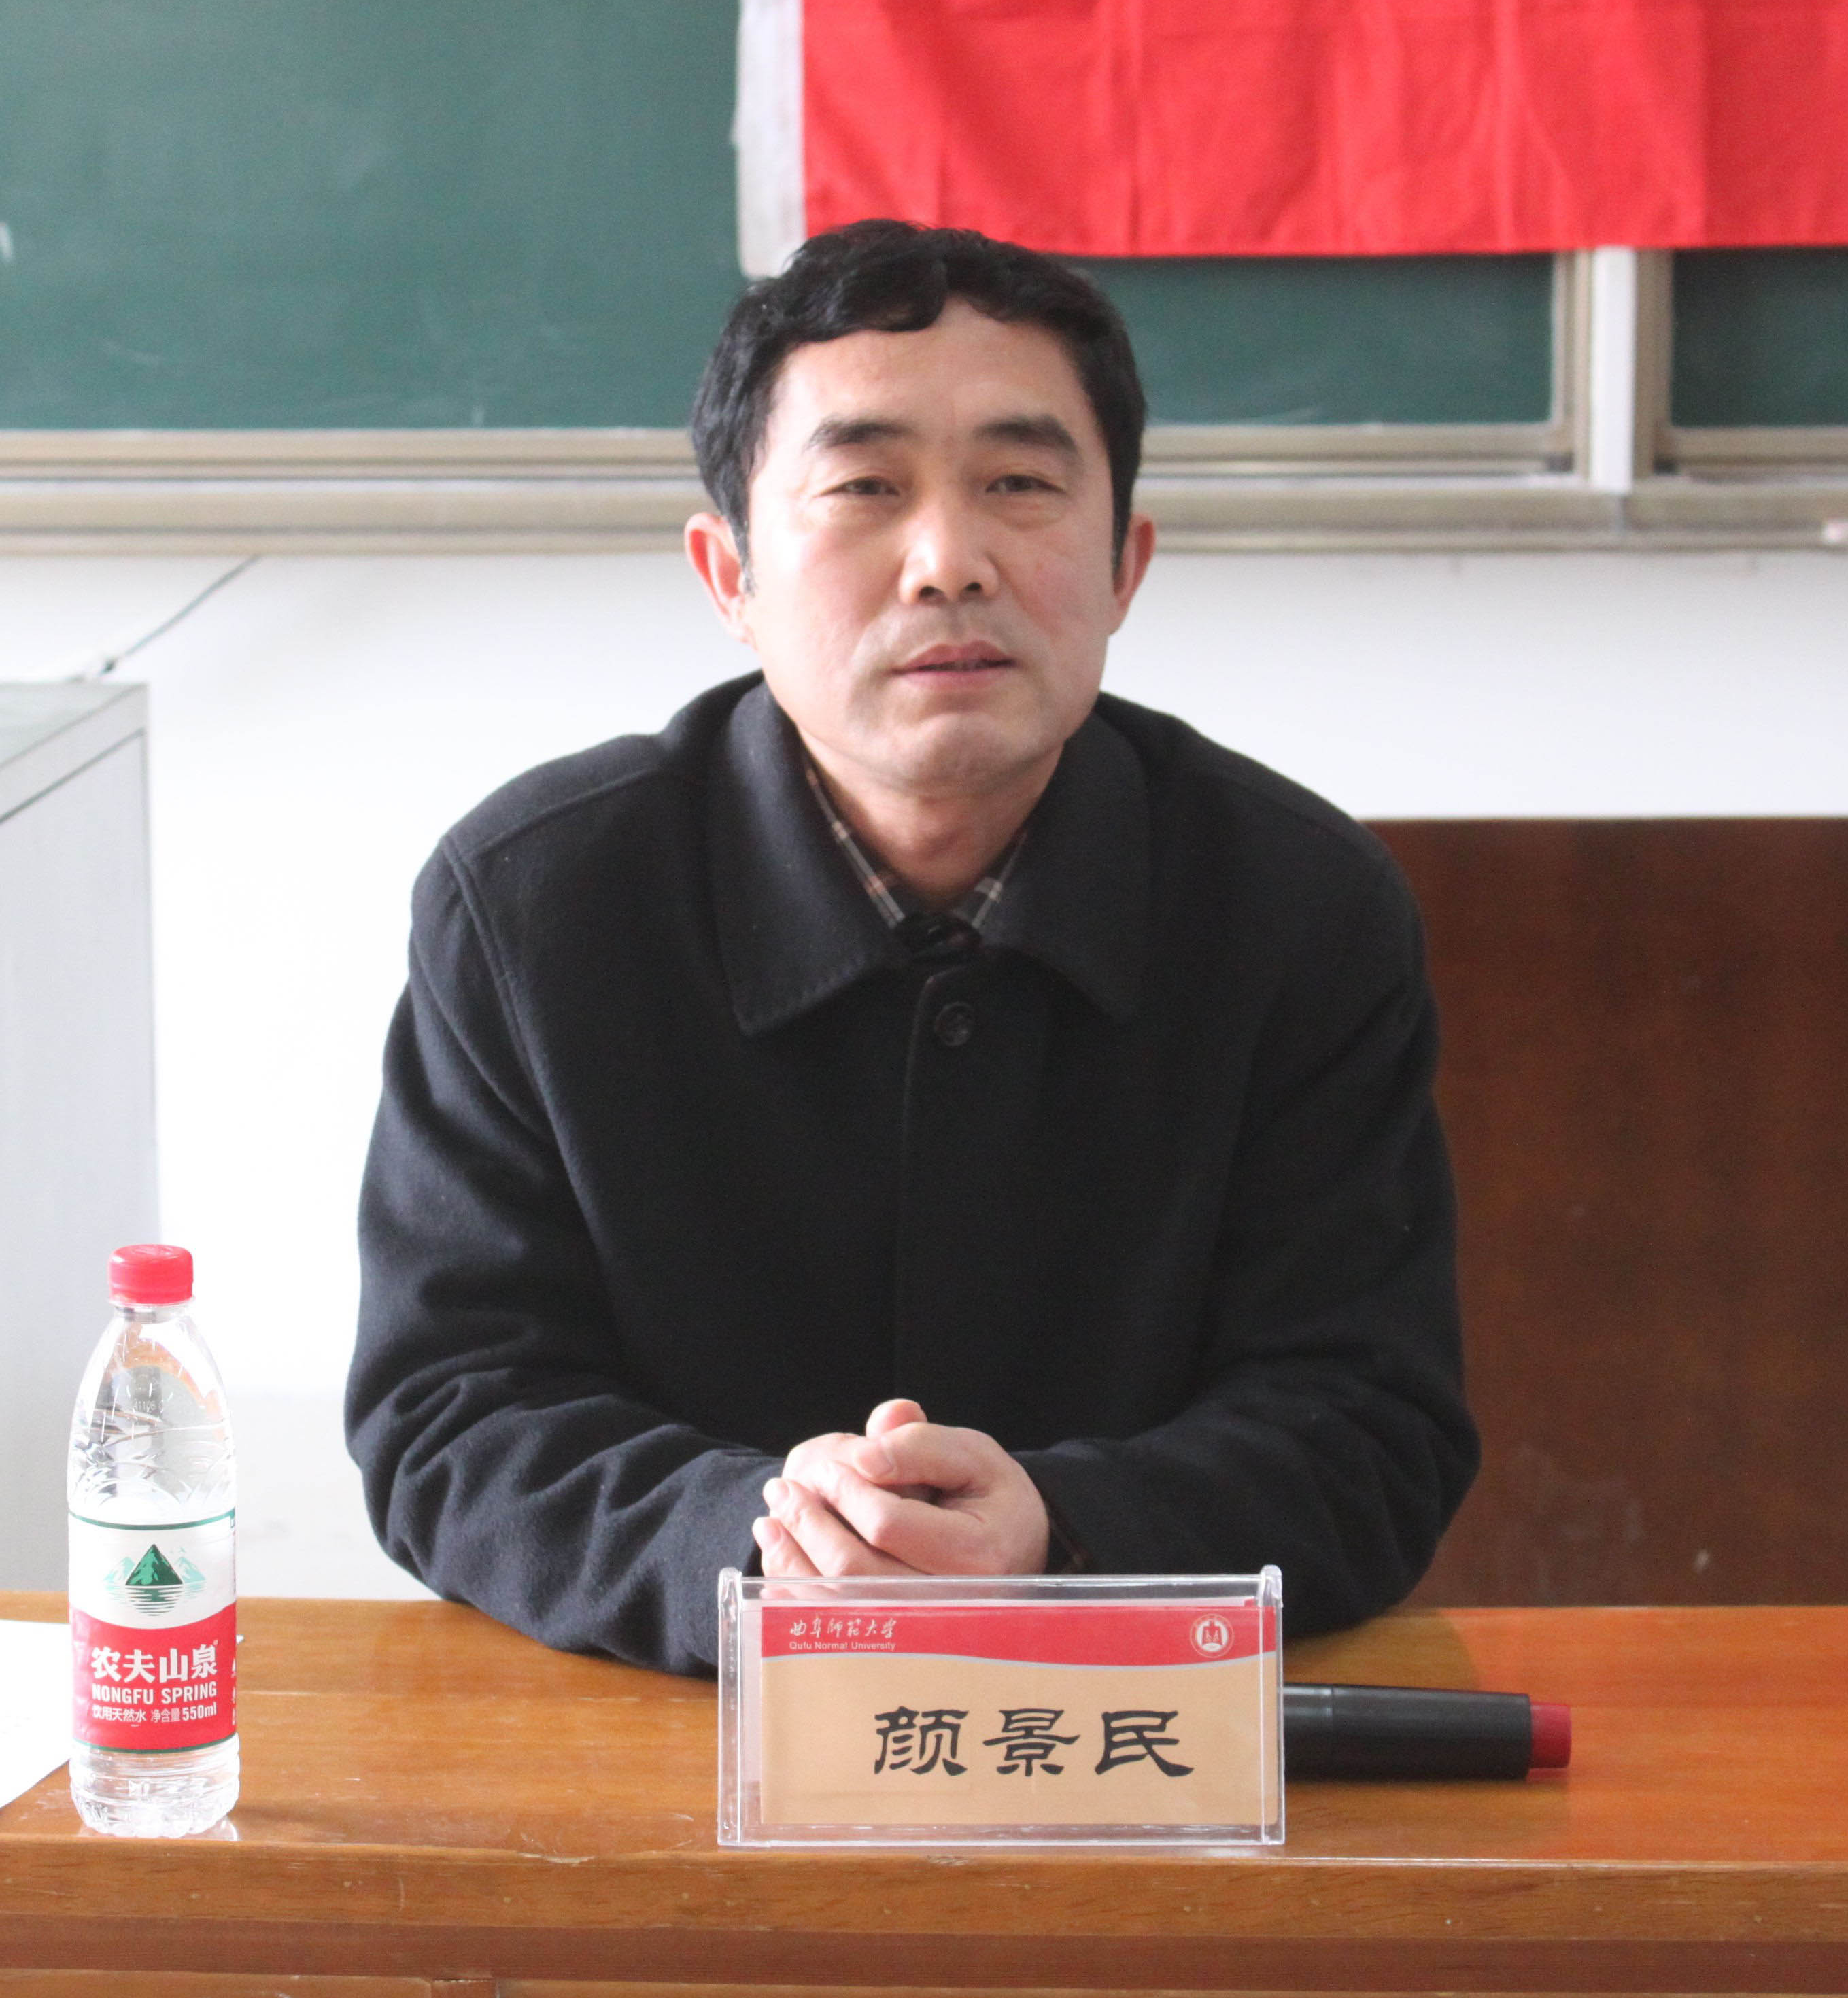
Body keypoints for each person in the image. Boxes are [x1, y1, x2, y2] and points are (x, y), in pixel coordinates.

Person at [348, 220, 1474, 1674]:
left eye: (1020, 485)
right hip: (674, 1734)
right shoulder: (534, 904)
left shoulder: (1300, 907)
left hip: (1135, 1738)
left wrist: (1061, 1533)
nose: (948, 562)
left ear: (1125, 566)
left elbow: (1371, 1427)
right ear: (729, 574)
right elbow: (452, 1420)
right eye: (865, 488)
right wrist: (766, 1541)